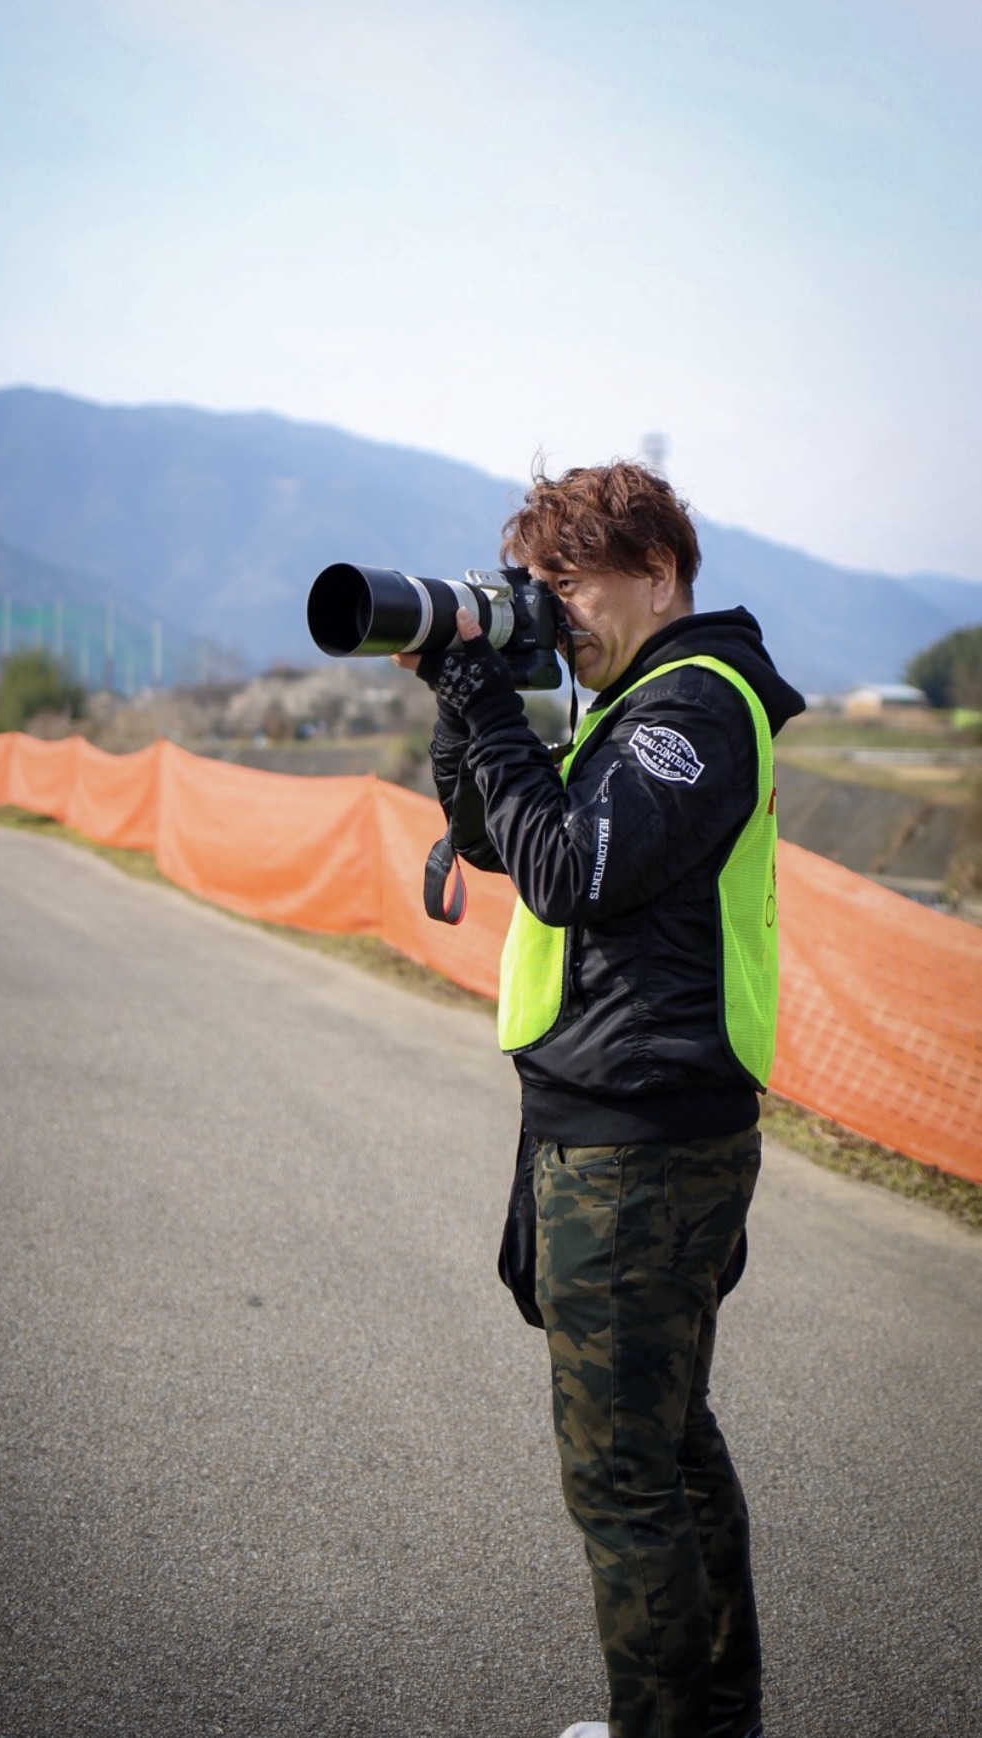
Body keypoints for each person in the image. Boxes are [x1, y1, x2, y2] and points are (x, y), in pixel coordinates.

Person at [398, 462, 804, 1738]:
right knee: (670, 1444)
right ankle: (713, 1719)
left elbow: (569, 871)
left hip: (639, 1143)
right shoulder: (636, 699)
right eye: (540, 583)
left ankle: (668, 1729)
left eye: (572, 579)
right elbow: (491, 837)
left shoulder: (694, 707)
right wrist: (469, 703)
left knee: (622, 1480)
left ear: (661, 572)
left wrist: (496, 703)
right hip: (617, 1122)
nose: (553, 605)